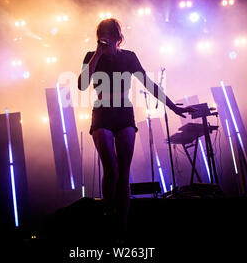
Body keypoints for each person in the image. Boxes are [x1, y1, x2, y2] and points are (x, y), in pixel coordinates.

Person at [77, 18, 196, 240]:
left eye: (107, 34)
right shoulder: (91, 56)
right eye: (100, 34)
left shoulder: (129, 57)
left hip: (123, 112)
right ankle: (107, 211)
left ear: (117, 37)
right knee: (110, 167)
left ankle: (121, 225)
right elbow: (82, 84)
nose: (103, 38)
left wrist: (172, 107)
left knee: (123, 170)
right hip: (102, 111)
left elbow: (148, 83)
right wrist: (97, 54)